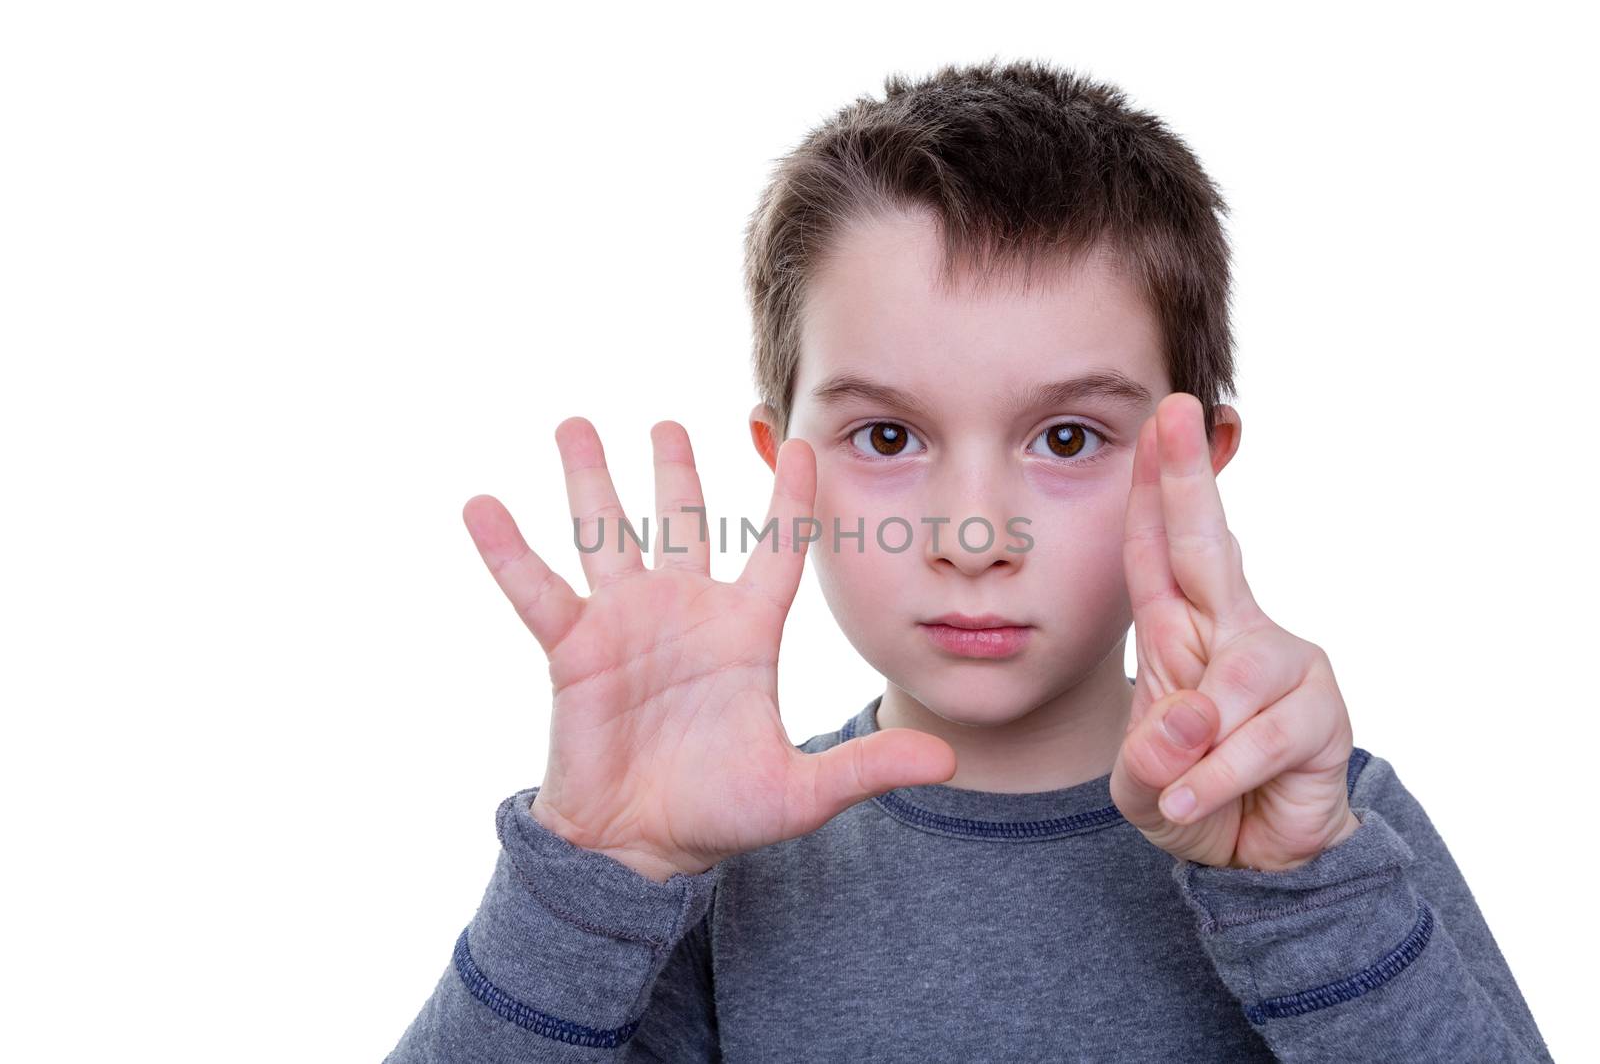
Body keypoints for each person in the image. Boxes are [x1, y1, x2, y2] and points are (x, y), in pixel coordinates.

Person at [384, 57, 1551, 1062]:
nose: (974, 538)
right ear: (783, 465)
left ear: (1194, 460)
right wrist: (590, 877)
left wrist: (1302, 896)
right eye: (887, 436)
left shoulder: (1325, 828)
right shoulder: (708, 861)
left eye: (1066, 437)